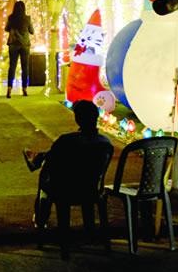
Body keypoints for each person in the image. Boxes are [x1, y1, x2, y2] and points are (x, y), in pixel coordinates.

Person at [25, 99, 114, 258]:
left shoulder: (67, 140)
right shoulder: (105, 143)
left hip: (66, 189)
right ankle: (38, 159)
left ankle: (41, 220)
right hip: (91, 188)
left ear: (77, 119)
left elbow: (54, 163)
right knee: (51, 164)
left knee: (44, 175)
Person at [4, 0, 34, 98]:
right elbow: (31, 31)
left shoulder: (11, 18)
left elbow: (7, 29)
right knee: (25, 67)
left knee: (12, 67)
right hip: (25, 45)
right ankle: (24, 89)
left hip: (13, 44)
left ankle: (9, 89)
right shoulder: (27, 18)